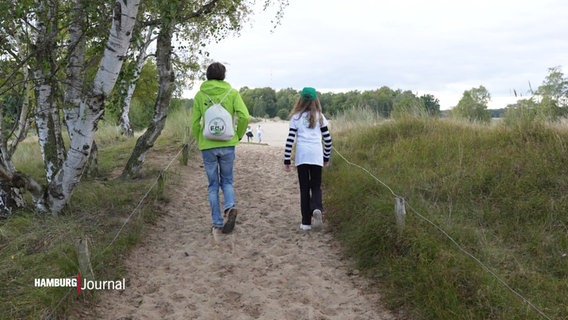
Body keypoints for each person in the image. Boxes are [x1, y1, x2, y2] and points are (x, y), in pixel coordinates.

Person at [191, 62, 250, 236]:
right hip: (227, 144)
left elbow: (194, 123)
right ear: (224, 75)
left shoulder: (200, 95)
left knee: (212, 185)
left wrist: (200, 139)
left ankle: (217, 222)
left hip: (208, 145)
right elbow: (244, 116)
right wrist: (238, 135)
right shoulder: (232, 93)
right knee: (227, 181)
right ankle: (230, 206)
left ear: (207, 76)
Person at [283, 87, 332, 231]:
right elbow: (328, 140)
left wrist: (287, 160)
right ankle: (317, 208)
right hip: (316, 155)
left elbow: (290, 140)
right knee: (316, 186)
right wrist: (326, 157)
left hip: (302, 156)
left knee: (304, 189)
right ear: (315, 100)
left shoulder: (296, 118)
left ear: (300, 100)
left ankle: (305, 222)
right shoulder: (320, 117)